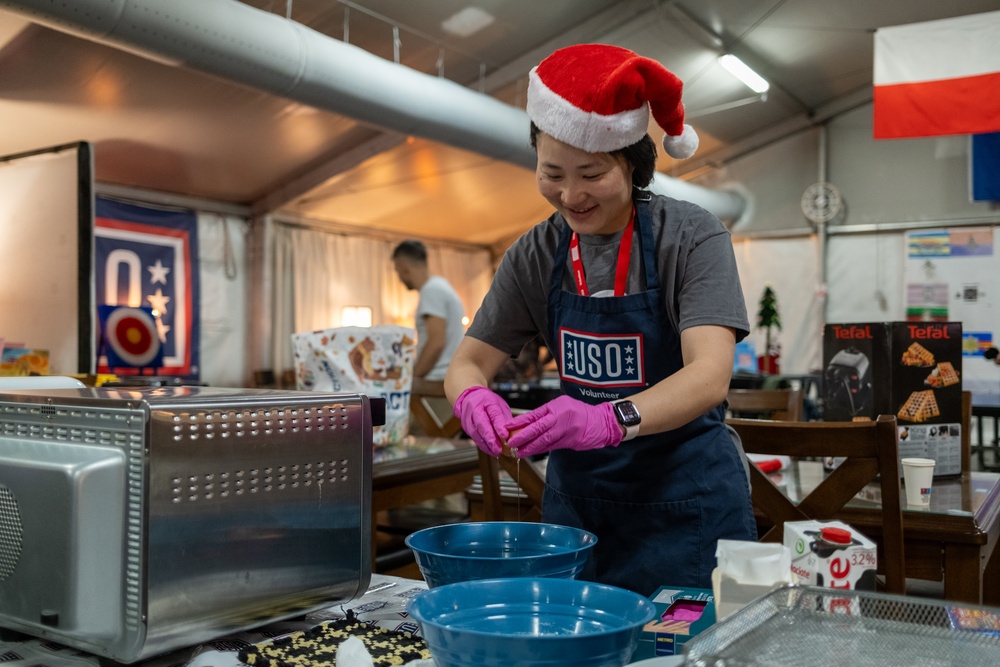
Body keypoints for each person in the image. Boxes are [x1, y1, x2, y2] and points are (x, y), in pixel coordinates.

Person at [443, 44, 757, 596]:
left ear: (633, 165)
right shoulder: (536, 253)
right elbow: (468, 362)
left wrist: (608, 420)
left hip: (685, 507)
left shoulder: (691, 237)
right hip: (577, 515)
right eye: (552, 173)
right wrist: (472, 398)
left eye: (590, 173)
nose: (570, 195)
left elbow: (709, 376)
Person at [391, 239, 466, 385]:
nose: (399, 277)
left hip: (436, 380)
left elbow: (436, 342)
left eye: (397, 271)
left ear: (403, 267)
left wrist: (413, 379)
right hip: (445, 379)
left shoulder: (431, 291)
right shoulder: (440, 286)